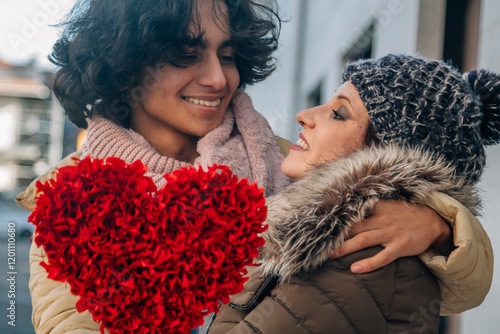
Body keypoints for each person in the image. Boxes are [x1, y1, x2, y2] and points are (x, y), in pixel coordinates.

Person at [14, 0, 491, 331]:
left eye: (227, 54)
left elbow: (457, 290)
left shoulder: (288, 157)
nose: (218, 78)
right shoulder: (70, 199)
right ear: (127, 62)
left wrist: (442, 223)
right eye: (187, 53)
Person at [207, 54, 499, 334]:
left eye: (338, 114)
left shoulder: (358, 255)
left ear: (385, 155)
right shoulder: (317, 218)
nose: (304, 115)